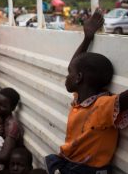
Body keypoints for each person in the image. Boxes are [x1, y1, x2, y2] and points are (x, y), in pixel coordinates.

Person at [45, 9, 128, 174]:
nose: (67, 74)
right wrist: (87, 38)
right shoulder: (81, 98)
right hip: (70, 163)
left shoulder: (102, 105)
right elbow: (74, 65)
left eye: (70, 74)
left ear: (78, 79)